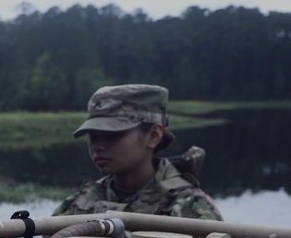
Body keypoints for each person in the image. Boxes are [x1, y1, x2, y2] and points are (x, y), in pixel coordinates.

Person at [51, 84, 222, 220]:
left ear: (154, 135)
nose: (98, 146)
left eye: (112, 135)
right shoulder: (80, 204)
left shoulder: (190, 209)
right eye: (93, 137)